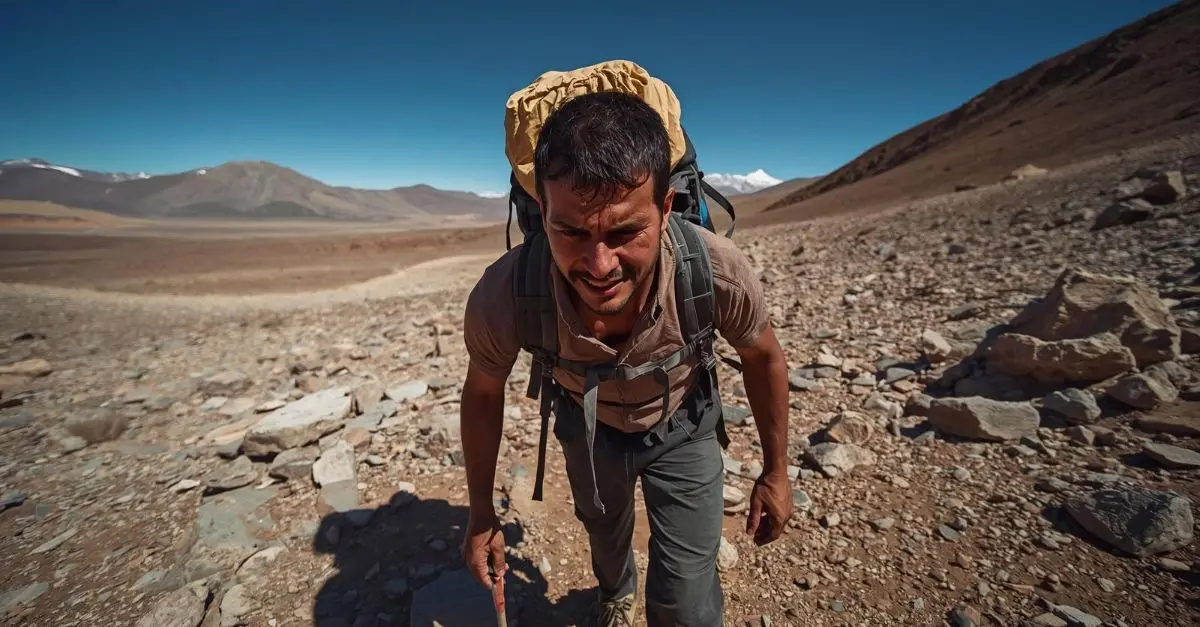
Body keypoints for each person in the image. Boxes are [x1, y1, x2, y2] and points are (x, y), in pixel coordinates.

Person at [459, 88, 793, 626]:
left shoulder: (714, 269)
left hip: (683, 423)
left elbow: (764, 358)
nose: (599, 264)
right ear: (541, 211)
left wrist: (777, 473)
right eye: (570, 231)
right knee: (605, 538)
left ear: (666, 209)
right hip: (584, 428)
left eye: (624, 232)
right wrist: (480, 515)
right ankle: (614, 595)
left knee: (686, 603)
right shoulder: (507, 293)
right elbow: (481, 391)